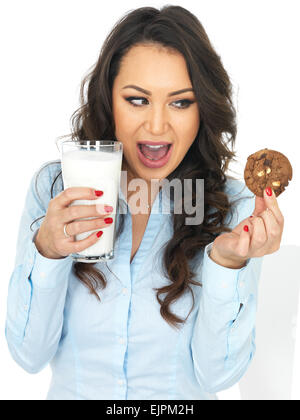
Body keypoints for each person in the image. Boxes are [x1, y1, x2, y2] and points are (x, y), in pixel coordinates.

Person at [5, 6, 284, 400]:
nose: (157, 126)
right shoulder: (55, 189)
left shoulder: (233, 208)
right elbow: (28, 355)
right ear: (109, 99)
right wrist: (47, 252)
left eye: (181, 102)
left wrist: (227, 263)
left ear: (203, 108)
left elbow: (216, 376)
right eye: (137, 100)